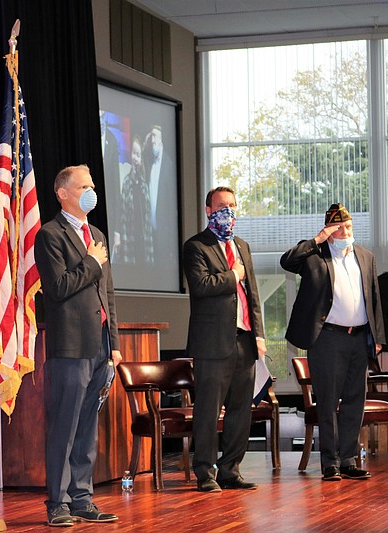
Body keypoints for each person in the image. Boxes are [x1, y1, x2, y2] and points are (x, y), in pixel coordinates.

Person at [34, 164, 122, 526]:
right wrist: (91, 262)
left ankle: (83, 498)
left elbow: (108, 295)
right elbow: (57, 287)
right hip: (70, 346)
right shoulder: (50, 235)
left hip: (99, 345)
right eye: (84, 186)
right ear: (63, 193)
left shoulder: (96, 233)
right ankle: (58, 502)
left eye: (92, 185)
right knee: (65, 426)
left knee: (87, 428)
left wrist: (114, 342)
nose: (91, 191)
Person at [280, 203, 386, 482]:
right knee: (327, 402)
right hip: (327, 337)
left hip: (358, 336)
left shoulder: (365, 256)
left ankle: (349, 458)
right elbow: (286, 261)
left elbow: (374, 298)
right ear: (328, 230)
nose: (344, 231)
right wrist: (316, 240)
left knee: (354, 400)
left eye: (348, 226)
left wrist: (377, 337)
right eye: (337, 228)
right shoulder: (315, 256)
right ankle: (330, 461)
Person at [183, 186, 266, 493]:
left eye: (231, 205)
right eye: (221, 206)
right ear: (208, 210)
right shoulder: (196, 247)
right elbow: (201, 285)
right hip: (212, 342)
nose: (227, 211)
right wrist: (233, 276)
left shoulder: (242, 245)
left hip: (244, 340)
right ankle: (205, 471)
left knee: (241, 410)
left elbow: (253, 295)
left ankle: (231, 469)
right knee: (208, 409)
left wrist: (259, 334)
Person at [115, 135, 154, 264]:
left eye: (138, 154)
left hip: (144, 239)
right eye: (133, 153)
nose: (135, 157)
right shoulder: (126, 182)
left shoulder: (144, 183)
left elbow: (147, 215)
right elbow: (122, 215)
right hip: (130, 239)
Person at [144, 125, 177, 265]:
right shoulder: (150, 162)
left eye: (156, 136)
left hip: (164, 231)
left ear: (162, 139)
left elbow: (171, 204)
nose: (153, 141)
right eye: (152, 137)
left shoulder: (169, 165)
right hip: (150, 229)